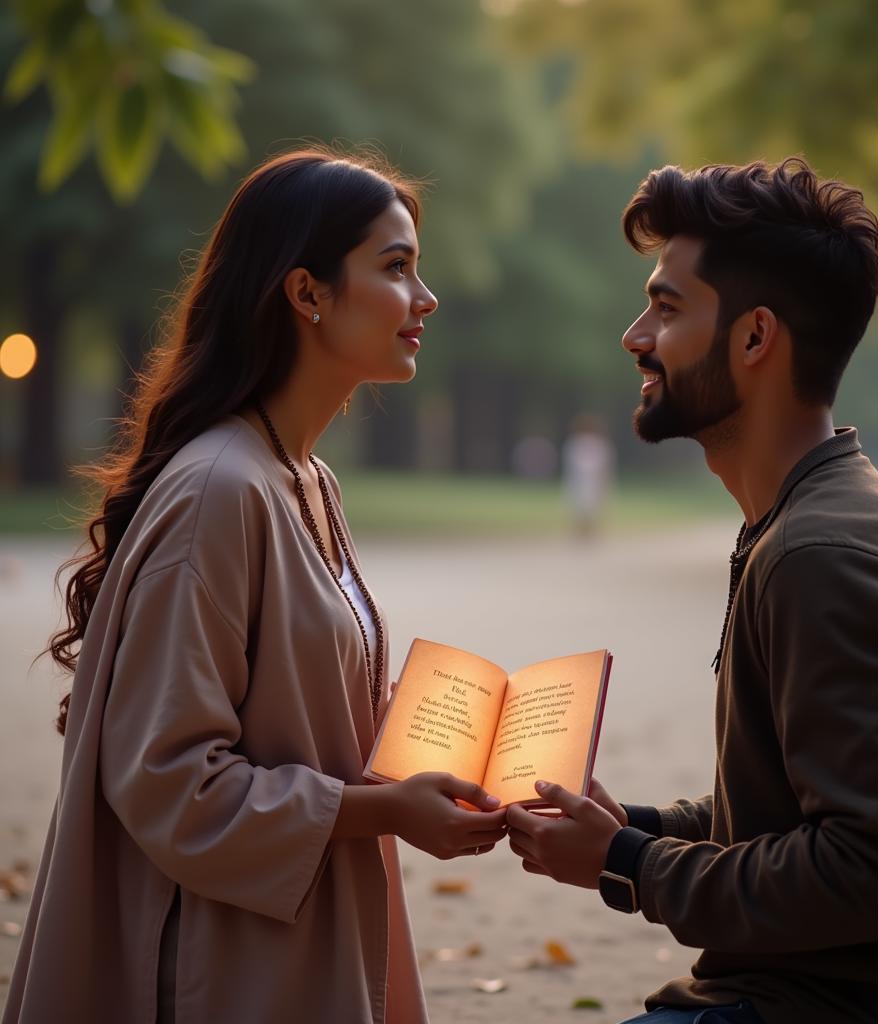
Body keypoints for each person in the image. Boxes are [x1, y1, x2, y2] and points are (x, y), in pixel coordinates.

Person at [507, 158, 878, 1024]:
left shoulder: (823, 554)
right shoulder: (814, 516)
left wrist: (631, 861)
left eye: (667, 307)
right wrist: (631, 827)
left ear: (754, 339)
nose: (635, 335)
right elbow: (805, 801)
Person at [4, 150, 509, 1024]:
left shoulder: (304, 478)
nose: (425, 299)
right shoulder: (218, 490)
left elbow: (299, 710)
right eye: (396, 268)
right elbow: (170, 780)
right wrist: (384, 808)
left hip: (299, 927)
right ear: (307, 293)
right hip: (224, 959)